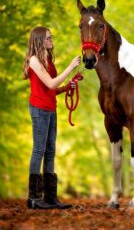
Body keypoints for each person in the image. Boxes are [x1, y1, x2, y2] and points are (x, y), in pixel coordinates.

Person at [23, 26, 81, 209]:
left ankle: (50, 198)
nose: (51, 39)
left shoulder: (47, 58)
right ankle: (34, 198)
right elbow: (50, 82)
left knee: (50, 152)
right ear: (39, 39)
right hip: (39, 110)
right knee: (39, 151)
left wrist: (67, 87)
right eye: (48, 37)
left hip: (50, 109)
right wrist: (70, 67)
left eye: (51, 37)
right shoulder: (33, 60)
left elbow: (51, 89)